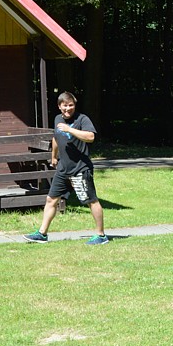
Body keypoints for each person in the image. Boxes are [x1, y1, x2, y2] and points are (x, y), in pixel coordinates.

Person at [24, 92, 109, 245]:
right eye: (65, 105)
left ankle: (101, 235)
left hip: (80, 168)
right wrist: (53, 156)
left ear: (74, 106)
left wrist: (70, 130)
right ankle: (42, 234)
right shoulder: (57, 119)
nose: (68, 108)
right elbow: (56, 137)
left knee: (91, 200)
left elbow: (91, 137)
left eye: (71, 105)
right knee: (51, 199)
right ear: (59, 106)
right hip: (63, 168)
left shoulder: (82, 119)